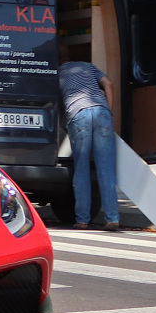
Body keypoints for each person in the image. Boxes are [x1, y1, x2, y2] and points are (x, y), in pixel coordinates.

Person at [58, 52, 119, 230]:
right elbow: (108, 83)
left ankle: (83, 220)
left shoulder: (58, 72)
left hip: (79, 114)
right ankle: (112, 217)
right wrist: (108, 110)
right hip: (101, 112)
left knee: (82, 168)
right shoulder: (87, 66)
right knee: (106, 168)